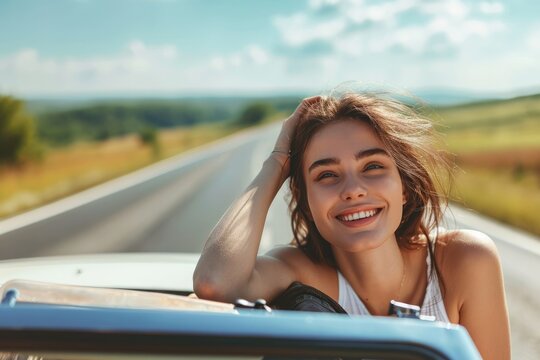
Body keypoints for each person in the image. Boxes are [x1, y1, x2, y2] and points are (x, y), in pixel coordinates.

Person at [193, 92, 510, 359]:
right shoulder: (298, 271)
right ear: (306, 202)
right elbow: (215, 283)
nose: (353, 189)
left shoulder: (464, 260)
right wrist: (276, 163)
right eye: (327, 175)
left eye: (372, 166)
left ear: (405, 187)